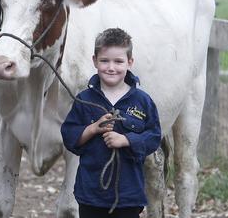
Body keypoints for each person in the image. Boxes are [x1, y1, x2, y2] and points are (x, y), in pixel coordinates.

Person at [61, 28, 161, 218]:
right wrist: (91, 129)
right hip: (91, 195)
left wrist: (126, 140)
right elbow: (68, 135)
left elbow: (153, 137)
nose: (111, 67)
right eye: (105, 61)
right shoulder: (84, 100)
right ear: (94, 61)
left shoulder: (142, 101)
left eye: (118, 61)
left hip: (129, 196)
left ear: (130, 63)